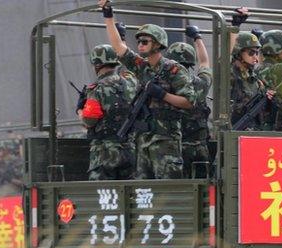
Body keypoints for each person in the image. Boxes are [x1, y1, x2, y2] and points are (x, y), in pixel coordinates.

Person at [100, 0, 196, 179]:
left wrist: (163, 95)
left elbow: (189, 102)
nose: (140, 45)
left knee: (167, 193)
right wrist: (108, 16)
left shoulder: (173, 69)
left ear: (158, 44)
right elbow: (118, 47)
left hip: (166, 141)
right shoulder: (141, 67)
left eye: (145, 41)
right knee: (143, 192)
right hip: (143, 140)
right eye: (138, 41)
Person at [78, 44, 137, 180]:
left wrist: (80, 109)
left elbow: (89, 121)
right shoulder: (131, 82)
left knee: (102, 196)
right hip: (130, 150)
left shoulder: (96, 89)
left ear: (97, 65)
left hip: (105, 153)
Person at [166, 25, 213, 178]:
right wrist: (197, 37)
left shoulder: (165, 84)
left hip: (174, 148)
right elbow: (205, 62)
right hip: (200, 147)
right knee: (203, 191)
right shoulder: (201, 83)